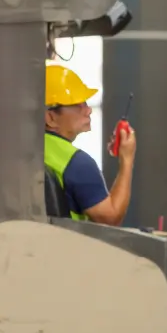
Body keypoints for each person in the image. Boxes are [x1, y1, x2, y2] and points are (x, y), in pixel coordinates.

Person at [44, 64, 135, 225]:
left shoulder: (27, 151)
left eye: (85, 103)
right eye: (78, 105)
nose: (88, 110)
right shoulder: (76, 164)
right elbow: (110, 218)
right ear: (50, 118)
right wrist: (127, 159)